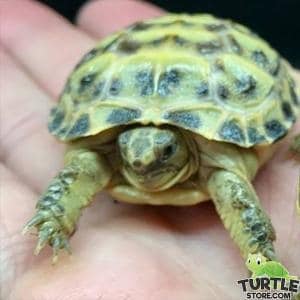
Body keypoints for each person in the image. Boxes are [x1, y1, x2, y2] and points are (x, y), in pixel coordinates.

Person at [0, 0, 299, 299]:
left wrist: (266, 269)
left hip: (219, 70)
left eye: (165, 153)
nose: (140, 164)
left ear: (179, 148)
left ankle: (267, 273)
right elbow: (80, 170)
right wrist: (55, 216)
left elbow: (237, 199)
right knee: (85, 169)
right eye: (127, 152)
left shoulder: (219, 164)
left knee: (234, 192)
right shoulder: (107, 157)